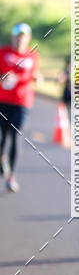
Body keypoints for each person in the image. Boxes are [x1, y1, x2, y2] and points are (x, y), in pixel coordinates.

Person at [0, 23, 41, 192]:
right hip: (3, 101)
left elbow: (34, 74)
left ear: (28, 38)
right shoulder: (3, 53)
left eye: (23, 35)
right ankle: (2, 159)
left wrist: (38, 78)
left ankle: (11, 177)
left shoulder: (33, 56)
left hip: (22, 102)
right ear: (13, 37)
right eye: (17, 35)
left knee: (16, 136)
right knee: (2, 137)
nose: (20, 38)